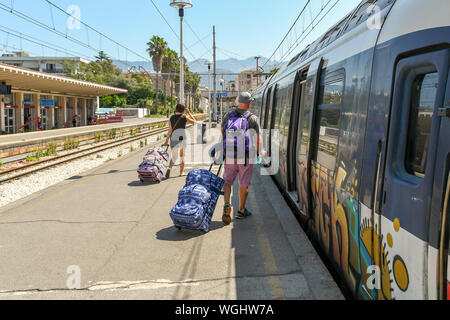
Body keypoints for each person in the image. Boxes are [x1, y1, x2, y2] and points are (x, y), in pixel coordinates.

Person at [221, 92, 262, 225]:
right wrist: (260, 152)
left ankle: (227, 204)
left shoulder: (228, 115)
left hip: (229, 155)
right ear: (249, 103)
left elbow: (222, 132)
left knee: (227, 181)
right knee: (243, 183)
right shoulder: (252, 118)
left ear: (238, 102)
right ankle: (241, 209)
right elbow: (257, 137)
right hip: (245, 157)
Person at [163, 104, 197, 178]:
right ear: (183, 110)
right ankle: (181, 172)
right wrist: (189, 113)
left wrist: (166, 141)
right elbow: (195, 121)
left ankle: (169, 168)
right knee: (182, 156)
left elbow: (170, 130)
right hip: (182, 138)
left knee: (174, 156)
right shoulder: (184, 117)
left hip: (173, 138)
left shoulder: (171, 117)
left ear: (176, 109)